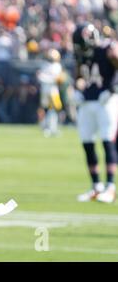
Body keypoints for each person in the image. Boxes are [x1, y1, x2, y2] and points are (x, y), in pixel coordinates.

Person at [72, 23, 118, 203]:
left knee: (107, 141)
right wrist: (77, 89)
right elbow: (79, 75)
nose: (82, 50)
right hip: (87, 101)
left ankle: (110, 187)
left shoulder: (108, 48)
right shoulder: (81, 53)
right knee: (87, 143)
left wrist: (114, 88)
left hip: (106, 100)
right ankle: (96, 186)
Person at [36, 48, 63, 137]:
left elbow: (56, 79)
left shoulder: (57, 66)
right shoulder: (44, 65)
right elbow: (40, 77)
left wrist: (46, 79)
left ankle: (52, 127)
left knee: (53, 109)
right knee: (45, 109)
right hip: (45, 89)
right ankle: (46, 127)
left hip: (53, 90)